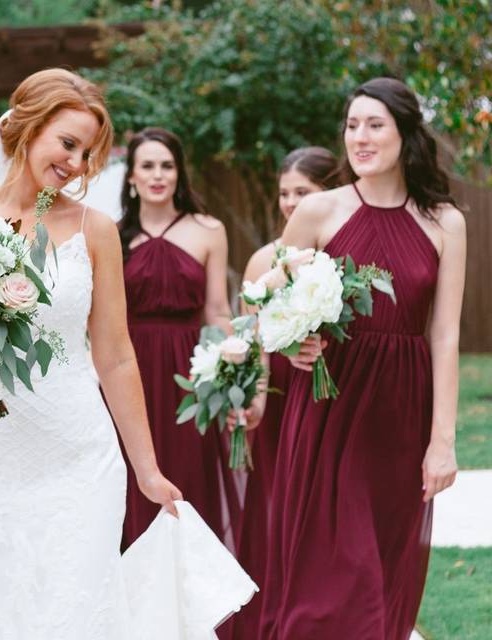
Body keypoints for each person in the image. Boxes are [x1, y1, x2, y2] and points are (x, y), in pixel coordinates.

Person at [259, 77, 465, 639]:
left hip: (401, 410)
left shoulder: (445, 222)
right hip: (329, 401)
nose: (360, 137)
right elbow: (267, 298)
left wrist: (442, 441)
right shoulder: (318, 211)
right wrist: (292, 340)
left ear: (406, 134)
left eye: (375, 125)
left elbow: (445, 336)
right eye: (352, 125)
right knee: (328, 571)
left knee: (384, 565)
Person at [227, 146, 339, 637]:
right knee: (278, 512)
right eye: (285, 194)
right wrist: (253, 394)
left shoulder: (340, 254)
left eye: (303, 193)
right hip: (281, 397)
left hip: (335, 394)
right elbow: (252, 338)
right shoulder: (262, 259)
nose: (291, 203)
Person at [117, 127, 239, 549]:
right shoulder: (114, 236)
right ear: (131, 177)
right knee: (132, 483)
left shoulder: (209, 230)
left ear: (179, 173)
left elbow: (218, 310)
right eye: (147, 166)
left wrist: (228, 379)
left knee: (191, 480)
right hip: (130, 370)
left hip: (191, 377)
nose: (158, 175)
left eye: (167, 166)